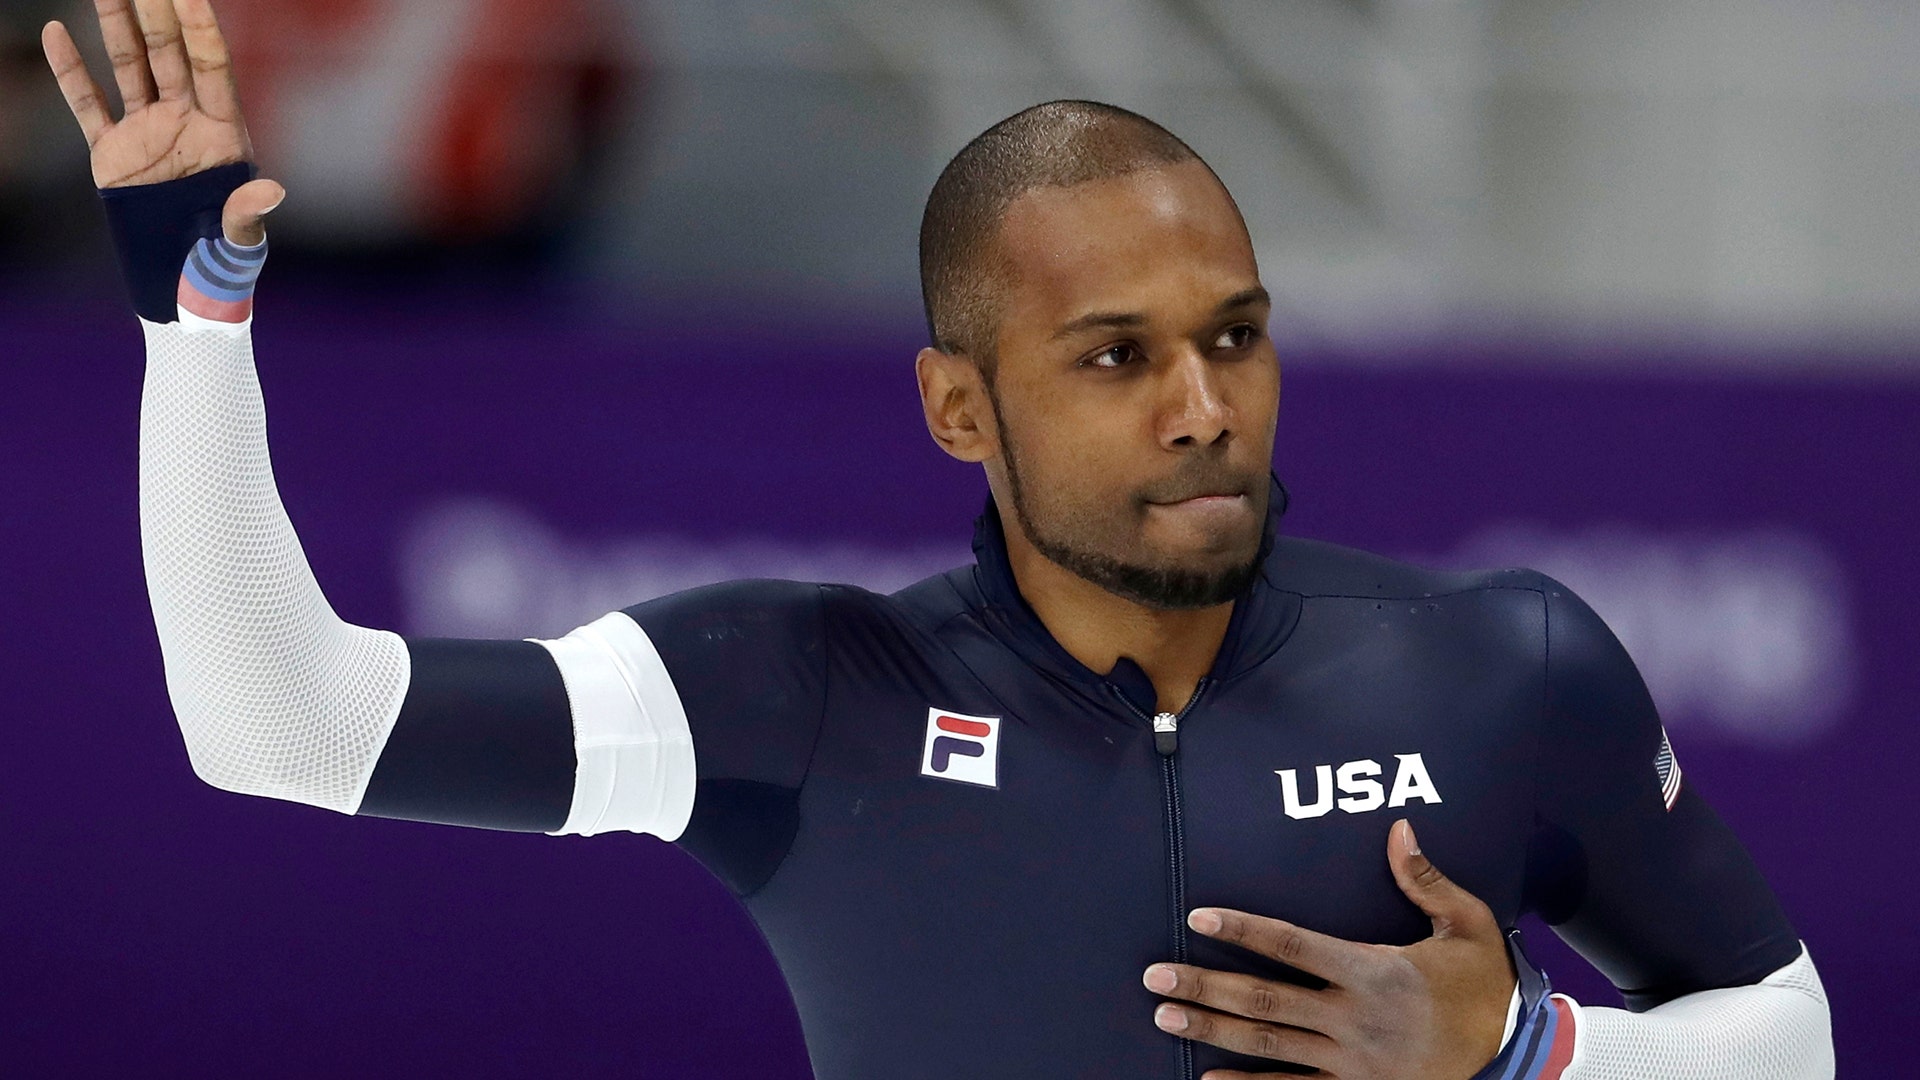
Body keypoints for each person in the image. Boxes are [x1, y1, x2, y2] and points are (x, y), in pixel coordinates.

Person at [45, 2, 1833, 1077]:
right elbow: (283, 726)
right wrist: (193, 326)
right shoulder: (803, 694)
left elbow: (1794, 1037)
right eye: (1116, 358)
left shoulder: (1504, 663)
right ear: (959, 411)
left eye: (1235, 332)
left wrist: (1528, 1051)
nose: (1205, 403)